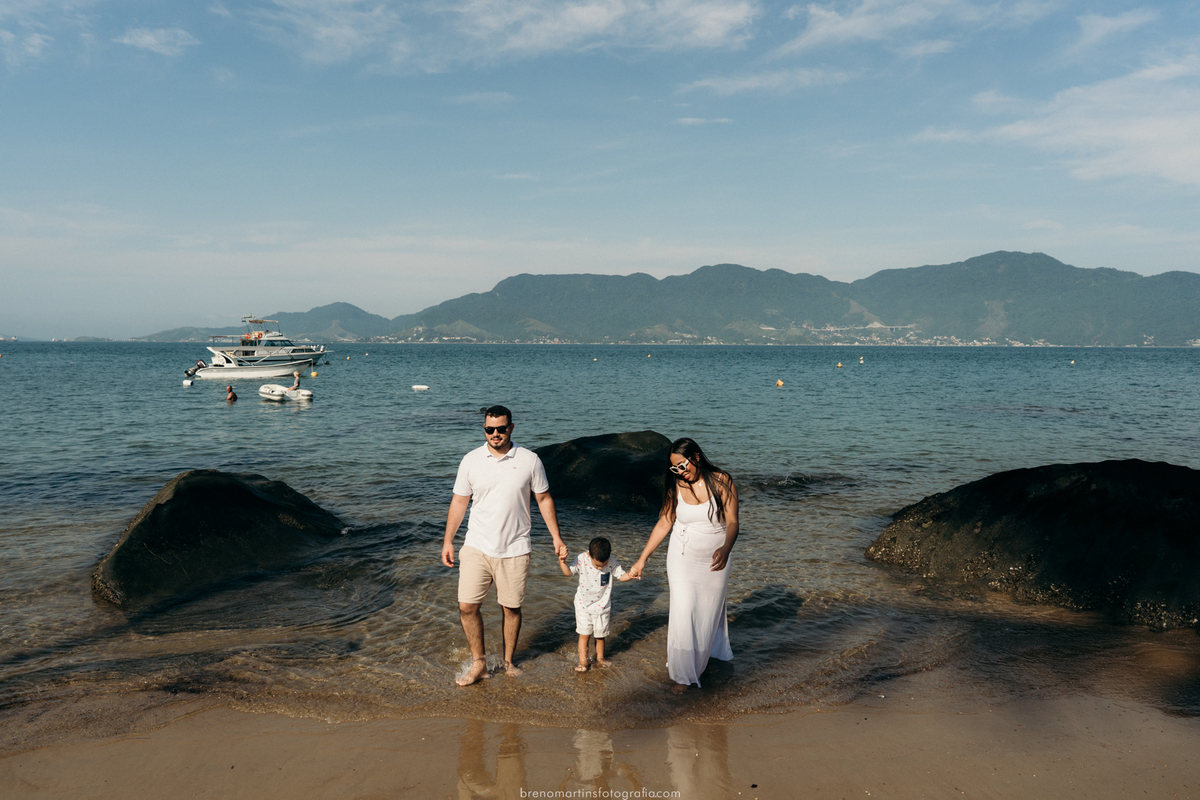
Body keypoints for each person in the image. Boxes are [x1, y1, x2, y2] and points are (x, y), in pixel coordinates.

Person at [442, 405, 568, 686]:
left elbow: (544, 499)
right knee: (466, 606)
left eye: (501, 428)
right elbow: (460, 501)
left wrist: (556, 537)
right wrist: (448, 540)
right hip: (476, 544)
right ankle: (480, 664)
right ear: (484, 429)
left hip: (515, 546)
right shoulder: (471, 460)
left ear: (511, 427)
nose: (495, 434)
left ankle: (509, 661)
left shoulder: (529, 460)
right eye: (490, 429)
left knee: (511, 608)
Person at [628, 438, 739, 693]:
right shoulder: (676, 485)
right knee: (685, 609)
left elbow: (732, 522)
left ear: (696, 457)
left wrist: (726, 547)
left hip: (716, 559)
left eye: (682, 465)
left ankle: (702, 660)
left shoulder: (723, 481)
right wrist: (642, 559)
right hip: (682, 556)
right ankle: (683, 675)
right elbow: (665, 522)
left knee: (708, 614)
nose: (680, 471)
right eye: (674, 468)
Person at [558, 536, 636, 672]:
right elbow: (568, 572)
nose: (602, 567)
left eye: (604, 564)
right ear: (589, 555)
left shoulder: (611, 561)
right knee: (584, 635)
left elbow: (621, 576)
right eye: (598, 565)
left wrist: (630, 575)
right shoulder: (582, 558)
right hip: (583, 606)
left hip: (602, 607)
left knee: (600, 636)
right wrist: (562, 561)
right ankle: (583, 662)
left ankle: (600, 659)